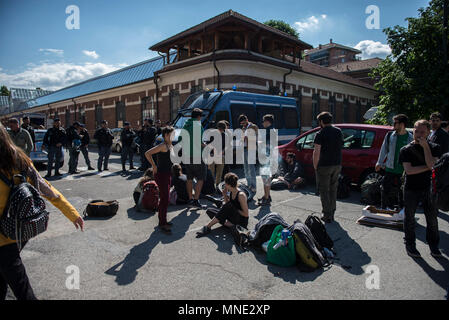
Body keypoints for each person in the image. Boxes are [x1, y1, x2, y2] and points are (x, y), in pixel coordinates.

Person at [0, 122, 84, 300]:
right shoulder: (19, 160)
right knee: (10, 279)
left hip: (5, 240)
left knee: (19, 285)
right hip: (16, 229)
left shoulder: (20, 160)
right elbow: (47, 190)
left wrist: (73, 213)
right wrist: (72, 213)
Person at [399, 120, 442, 258]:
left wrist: (425, 148)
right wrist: (429, 167)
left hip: (429, 188)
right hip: (411, 188)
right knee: (409, 218)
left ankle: (434, 246)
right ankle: (410, 245)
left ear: (429, 133)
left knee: (432, 219)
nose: (418, 134)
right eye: (416, 131)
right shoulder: (405, 150)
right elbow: (409, 170)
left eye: (422, 132)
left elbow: (433, 164)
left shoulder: (435, 147)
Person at [195, 172, 249, 247]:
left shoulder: (241, 195)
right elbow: (227, 206)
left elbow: (246, 214)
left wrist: (232, 208)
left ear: (229, 185)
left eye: (225, 184)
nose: (224, 186)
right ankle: (231, 225)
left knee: (228, 206)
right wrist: (224, 195)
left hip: (241, 220)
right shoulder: (230, 192)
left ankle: (208, 227)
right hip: (233, 217)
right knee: (210, 211)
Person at [375, 114, 413, 209]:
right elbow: (384, 149)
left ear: (402, 124)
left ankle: (401, 210)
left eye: (395, 123)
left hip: (403, 170)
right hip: (390, 168)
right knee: (385, 189)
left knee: (402, 191)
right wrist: (379, 163)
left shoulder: (410, 138)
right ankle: (384, 208)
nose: (393, 125)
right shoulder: (389, 135)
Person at [313, 112, 343, 223]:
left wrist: (315, 166)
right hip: (337, 164)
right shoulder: (338, 131)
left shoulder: (320, 133)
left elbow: (316, 152)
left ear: (321, 121)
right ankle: (332, 212)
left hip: (324, 165)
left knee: (324, 191)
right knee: (333, 189)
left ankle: (327, 215)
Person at [145, 126, 174, 234]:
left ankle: (163, 220)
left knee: (166, 198)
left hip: (167, 174)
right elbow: (147, 153)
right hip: (161, 174)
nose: (173, 135)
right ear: (166, 135)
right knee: (165, 199)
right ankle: (162, 223)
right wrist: (154, 166)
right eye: (171, 134)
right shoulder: (162, 145)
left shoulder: (170, 145)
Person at [181, 108, 207, 209]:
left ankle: (190, 199)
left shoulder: (185, 125)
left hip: (186, 154)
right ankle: (196, 200)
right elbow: (199, 142)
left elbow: (180, 139)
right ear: (199, 117)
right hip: (197, 155)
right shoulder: (197, 125)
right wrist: (205, 145)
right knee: (201, 178)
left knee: (189, 177)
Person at [258, 114, 276, 206]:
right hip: (268, 157)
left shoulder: (269, 131)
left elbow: (268, 145)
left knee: (265, 178)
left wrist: (259, 143)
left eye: (263, 121)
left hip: (266, 157)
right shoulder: (271, 130)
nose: (262, 123)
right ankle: (267, 195)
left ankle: (266, 198)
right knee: (266, 178)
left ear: (267, 122)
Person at [239, 114, 258, 194]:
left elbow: (256, 137)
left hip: (251, 149)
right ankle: (249, 184)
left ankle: (253, 186)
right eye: (241, 124)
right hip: (244, 149)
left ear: (246, 119)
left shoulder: (253, 126)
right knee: (246, 168)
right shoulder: (243, 128)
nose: (243, 125)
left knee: (251, 168)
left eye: (243, 123)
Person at [207, 120, 227, 193]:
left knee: (219, 173)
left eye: (222, 129)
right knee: (211, 172)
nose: (221, 131)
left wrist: (223, 151)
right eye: (220, 129)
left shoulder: (225, 135)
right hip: (212, 155)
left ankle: (218, 187)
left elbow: (226, 146)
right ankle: (211, 187)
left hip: (220, 155)